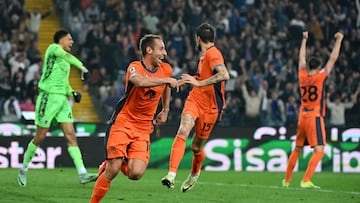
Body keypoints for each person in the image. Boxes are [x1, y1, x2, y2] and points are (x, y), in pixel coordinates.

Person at [90, 34, 179, 202]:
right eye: (161, 49)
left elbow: (167, 86)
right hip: (123, 122)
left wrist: (165, 109)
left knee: (135, 173)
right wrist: (168, 80)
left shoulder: (166, 69)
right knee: (113, 169)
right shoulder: (135, 67)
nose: (165, 53)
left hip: (144, 127)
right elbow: (139, 82)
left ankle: (110, 163)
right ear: (149, 50)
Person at [17, 30, 97, 187]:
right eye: (69, 39)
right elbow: (66, 57)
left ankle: (82, 173)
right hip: (48, 97)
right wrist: (82, 67)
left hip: (62, 100)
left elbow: (63, 82)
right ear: (61, 40)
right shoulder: (53, 49)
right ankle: (23, 169)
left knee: (71, 135)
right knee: (40, 136)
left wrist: (72, 92)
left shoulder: (64, 61)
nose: (72, 42)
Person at [161, 23, 230, 192]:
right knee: (183, 130)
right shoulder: (204, 55)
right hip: (195, 100)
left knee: (196, 147)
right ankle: (171, 175)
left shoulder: (213, 54)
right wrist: (191, 80)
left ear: (198, 38)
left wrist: (198, 82)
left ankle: (194, 174)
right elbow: (203, 76)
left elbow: (224, 74)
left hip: (211, 108)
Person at [282, 31, 344, 188]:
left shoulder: (302, 75)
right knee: (320, 150)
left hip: (302, 116)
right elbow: (333, 59)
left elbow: (301, 58)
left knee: (297, 149)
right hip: (314, 116)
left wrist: (304, 40)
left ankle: (287, 181)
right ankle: (306, 180)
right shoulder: (320, 77)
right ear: (318, 67)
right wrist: (339, 40)